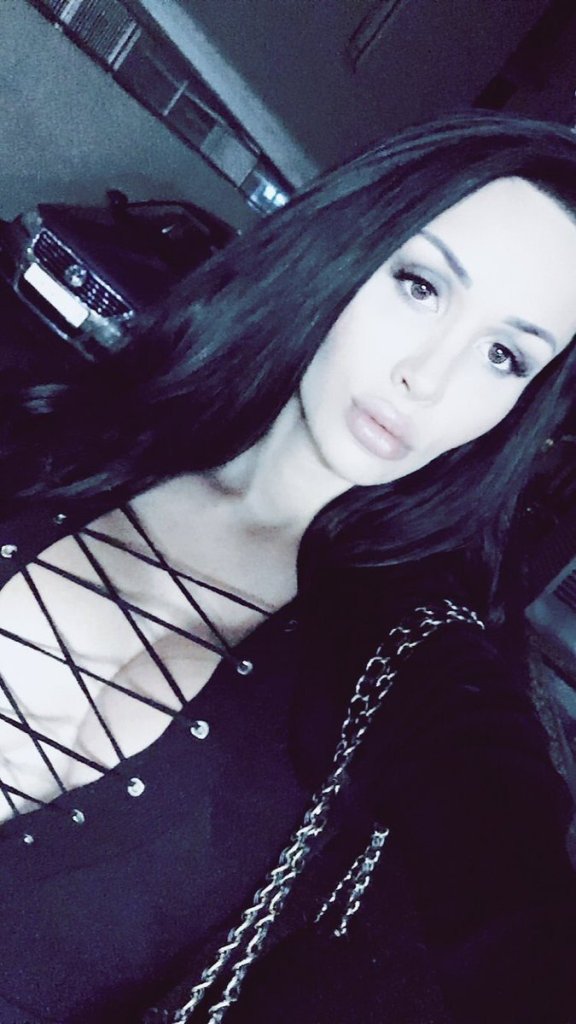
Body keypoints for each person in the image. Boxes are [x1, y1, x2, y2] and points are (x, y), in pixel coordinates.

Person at [1, 112, 576, 1024]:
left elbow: (510, 887)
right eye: (421, 286)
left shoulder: (415, 668)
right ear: (346, 243)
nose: (427, 379)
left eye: (504, 356)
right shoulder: (62, 421)